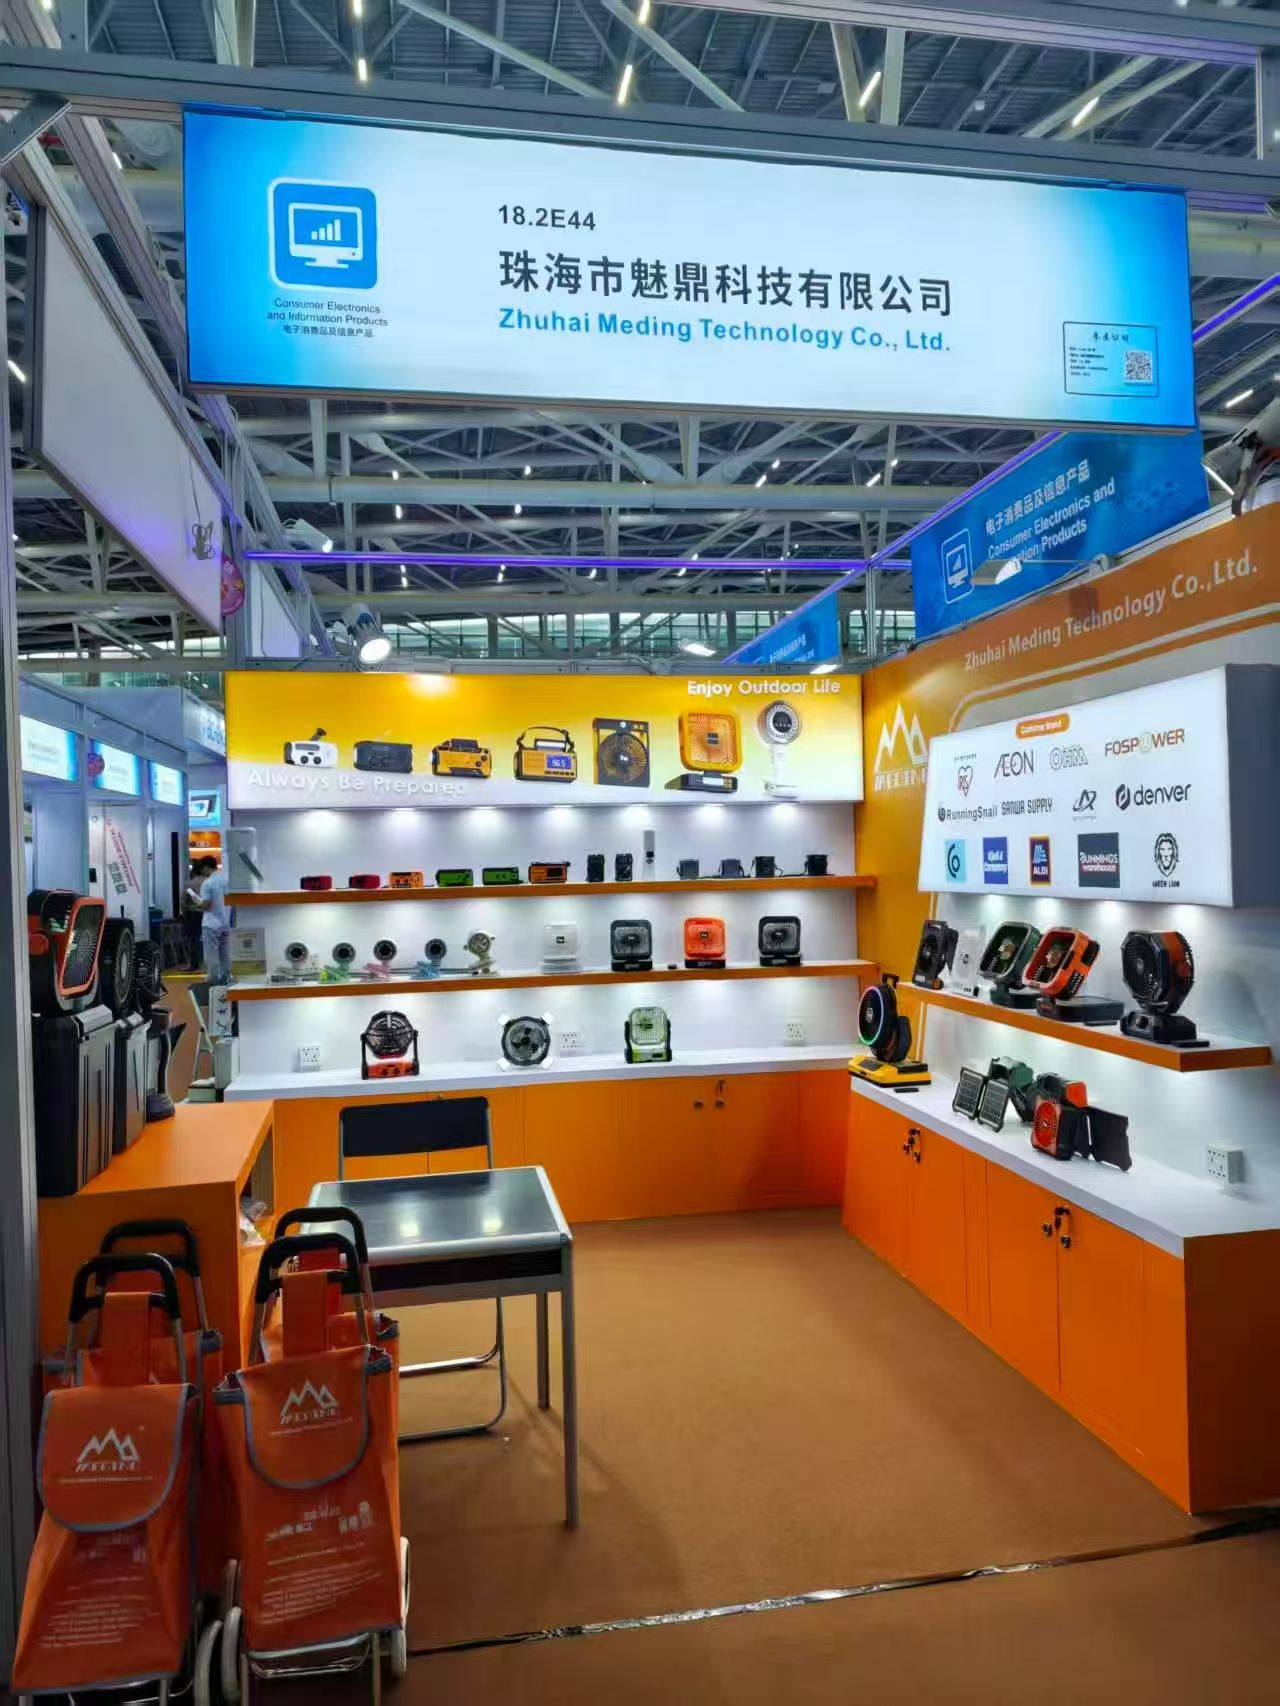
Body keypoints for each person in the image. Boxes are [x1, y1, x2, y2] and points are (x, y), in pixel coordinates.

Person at [188, 855, 232, 985]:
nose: (202, 871)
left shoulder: (208, 883)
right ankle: (226, 980)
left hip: (211, 924)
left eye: (203, 868)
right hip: (225, 923)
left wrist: (197, 901)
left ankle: (213, 981)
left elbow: (206, 905)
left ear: (207, 867)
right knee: (225, 954)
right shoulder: (227, 880)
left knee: (211, 955)